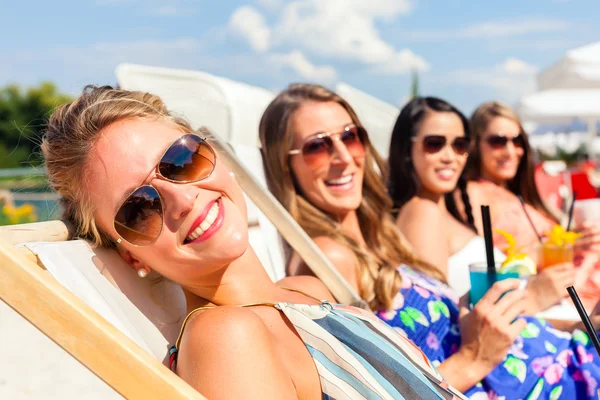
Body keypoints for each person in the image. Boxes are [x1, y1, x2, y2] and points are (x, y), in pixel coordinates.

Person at [41, 85, 467, 400]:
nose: (182, 199)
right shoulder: (224, 338)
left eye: (181, 160)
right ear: (132, 255)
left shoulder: (309, 294)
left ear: (216, 156)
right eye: (137, 208)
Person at [260, 83, 600, 399]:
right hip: (555, 383)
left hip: (563, 363)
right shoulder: (328, 258)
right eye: (317, 146)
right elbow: (377, 392)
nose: (344, 157)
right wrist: (473, 358)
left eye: (351, 136)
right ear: (284, 165)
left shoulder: (379, 238)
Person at [387, 96, 572, 312]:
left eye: (459, 145)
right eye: (435, 144)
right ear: (406, 149)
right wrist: (532, 298)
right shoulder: (423, 212)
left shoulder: (442, 211)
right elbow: (434, 318)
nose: (450, 157)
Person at [464, 101, 600, 309]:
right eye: (497, 141)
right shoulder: (475, 194)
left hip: (577, 296)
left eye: (517, 141)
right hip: (555, 307)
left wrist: (575, 239)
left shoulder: (521, 195)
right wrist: (550, 250)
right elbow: (482, 263)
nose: (511, 151)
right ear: (475, 145)